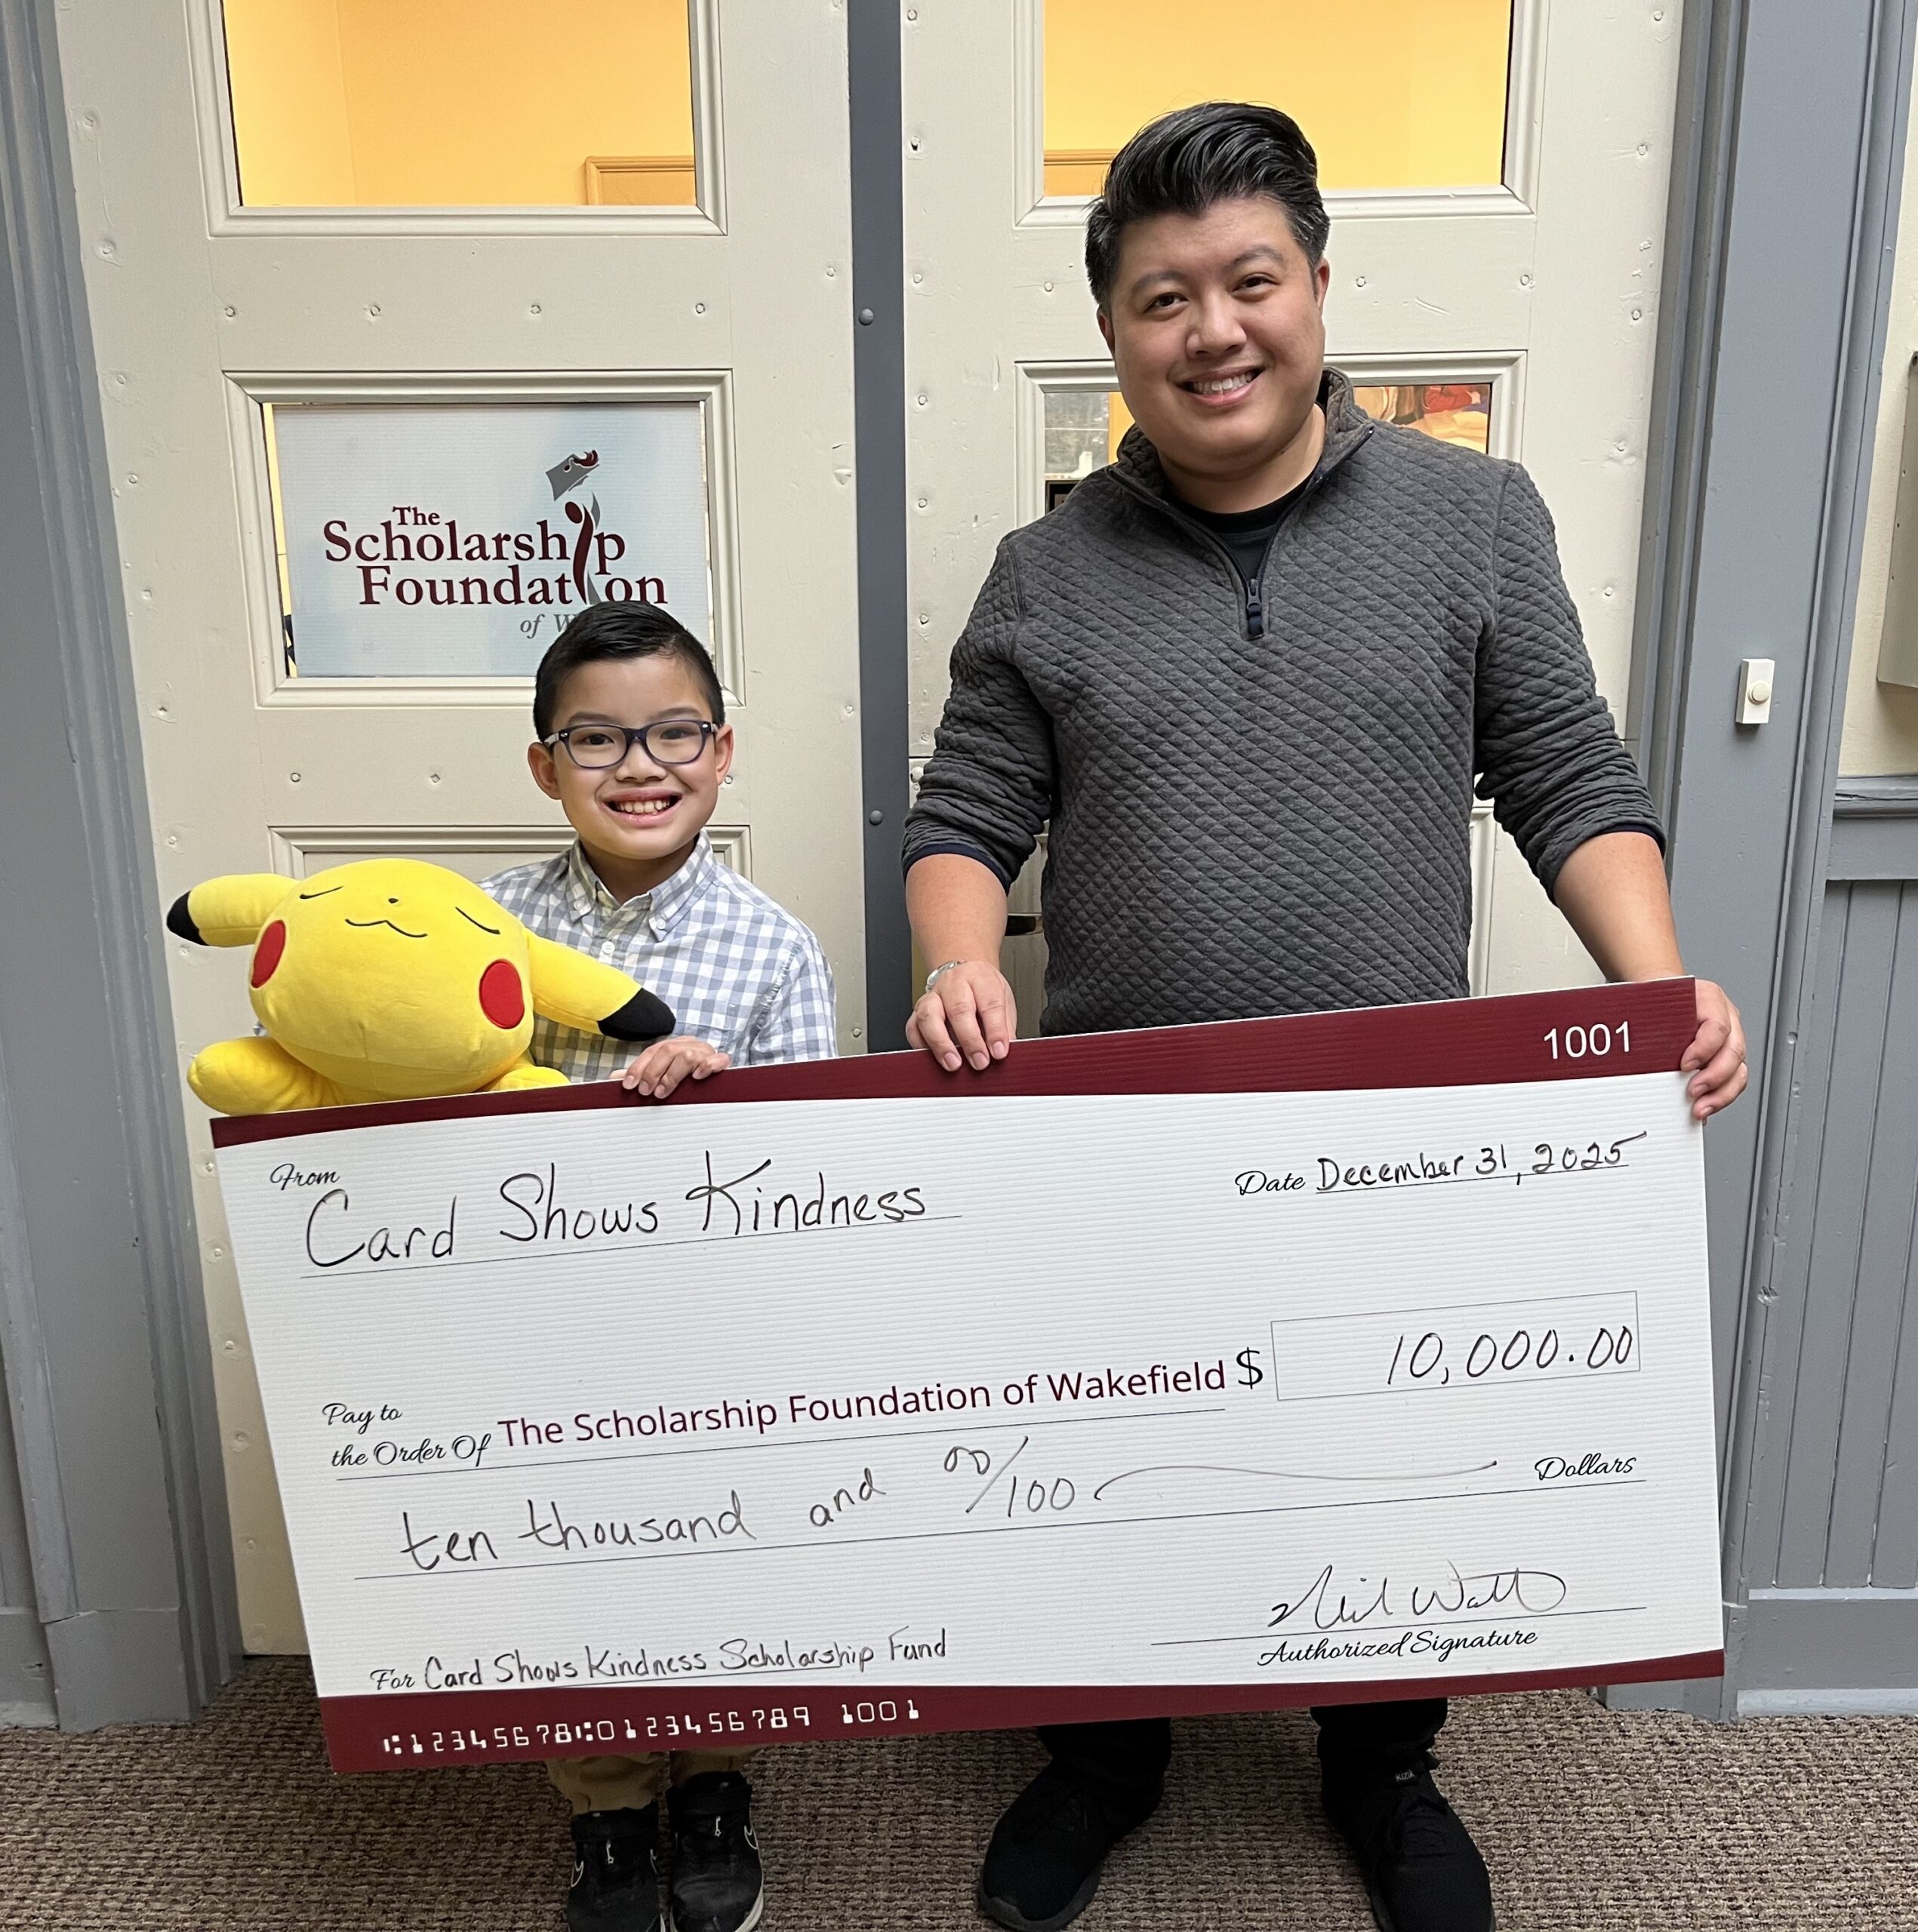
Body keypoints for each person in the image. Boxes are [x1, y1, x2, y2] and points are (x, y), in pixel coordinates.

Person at [901, 102, 1747, 1932]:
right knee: (1109, 1447)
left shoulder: (1471, 516)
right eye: (1158, 297)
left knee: (1382, 1459)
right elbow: (964, 814)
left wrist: (1650, 983)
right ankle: (1101, 1750)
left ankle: (1382, 1758)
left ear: (1314, 287)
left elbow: (1563, 769)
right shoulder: (1042, 572)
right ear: (1114, 332)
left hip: (1393, 1135)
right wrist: (957, 952)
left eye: (1246, 280)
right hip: (1121, 1126)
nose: (1210, 328)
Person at [484, 600, 836, 1932]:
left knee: (714, 1555)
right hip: (534, 1328)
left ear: (723, 749)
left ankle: (716, 1786)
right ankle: (610, 1810)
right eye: (597, 739)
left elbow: (820, 1182)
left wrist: (729, 1096)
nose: (641, 765)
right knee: (573, 1561)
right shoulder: (483, 929)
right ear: (544, 765)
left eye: (673, 732)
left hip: (715, 1332)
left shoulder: (771, 946)